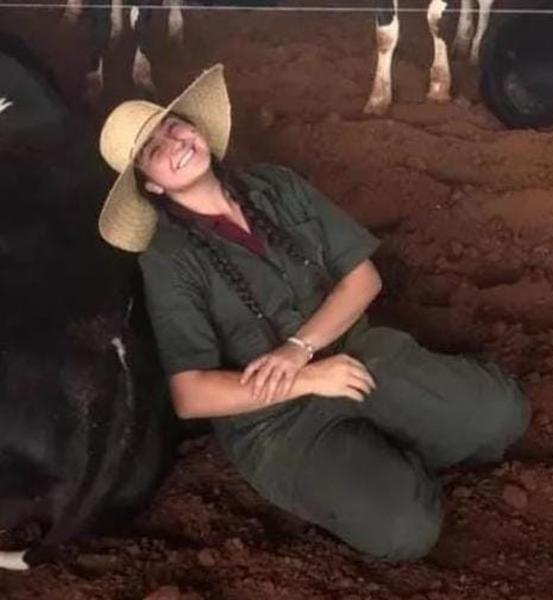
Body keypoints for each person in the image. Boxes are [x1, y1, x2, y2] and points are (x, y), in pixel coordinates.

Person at [97, 64, 529, 561]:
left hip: (359, 355)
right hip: (276, 422)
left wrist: (299, 350)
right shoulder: (168, 258)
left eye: (174, 126)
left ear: (196, 129)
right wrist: (304, 379)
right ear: (150, 185)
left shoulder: (275, 187)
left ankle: (398, 443)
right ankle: (389, 462)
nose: (175, 142)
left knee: (504, 416)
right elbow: (190, 396)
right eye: (154, 149)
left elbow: (364, 278)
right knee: (407, 532)